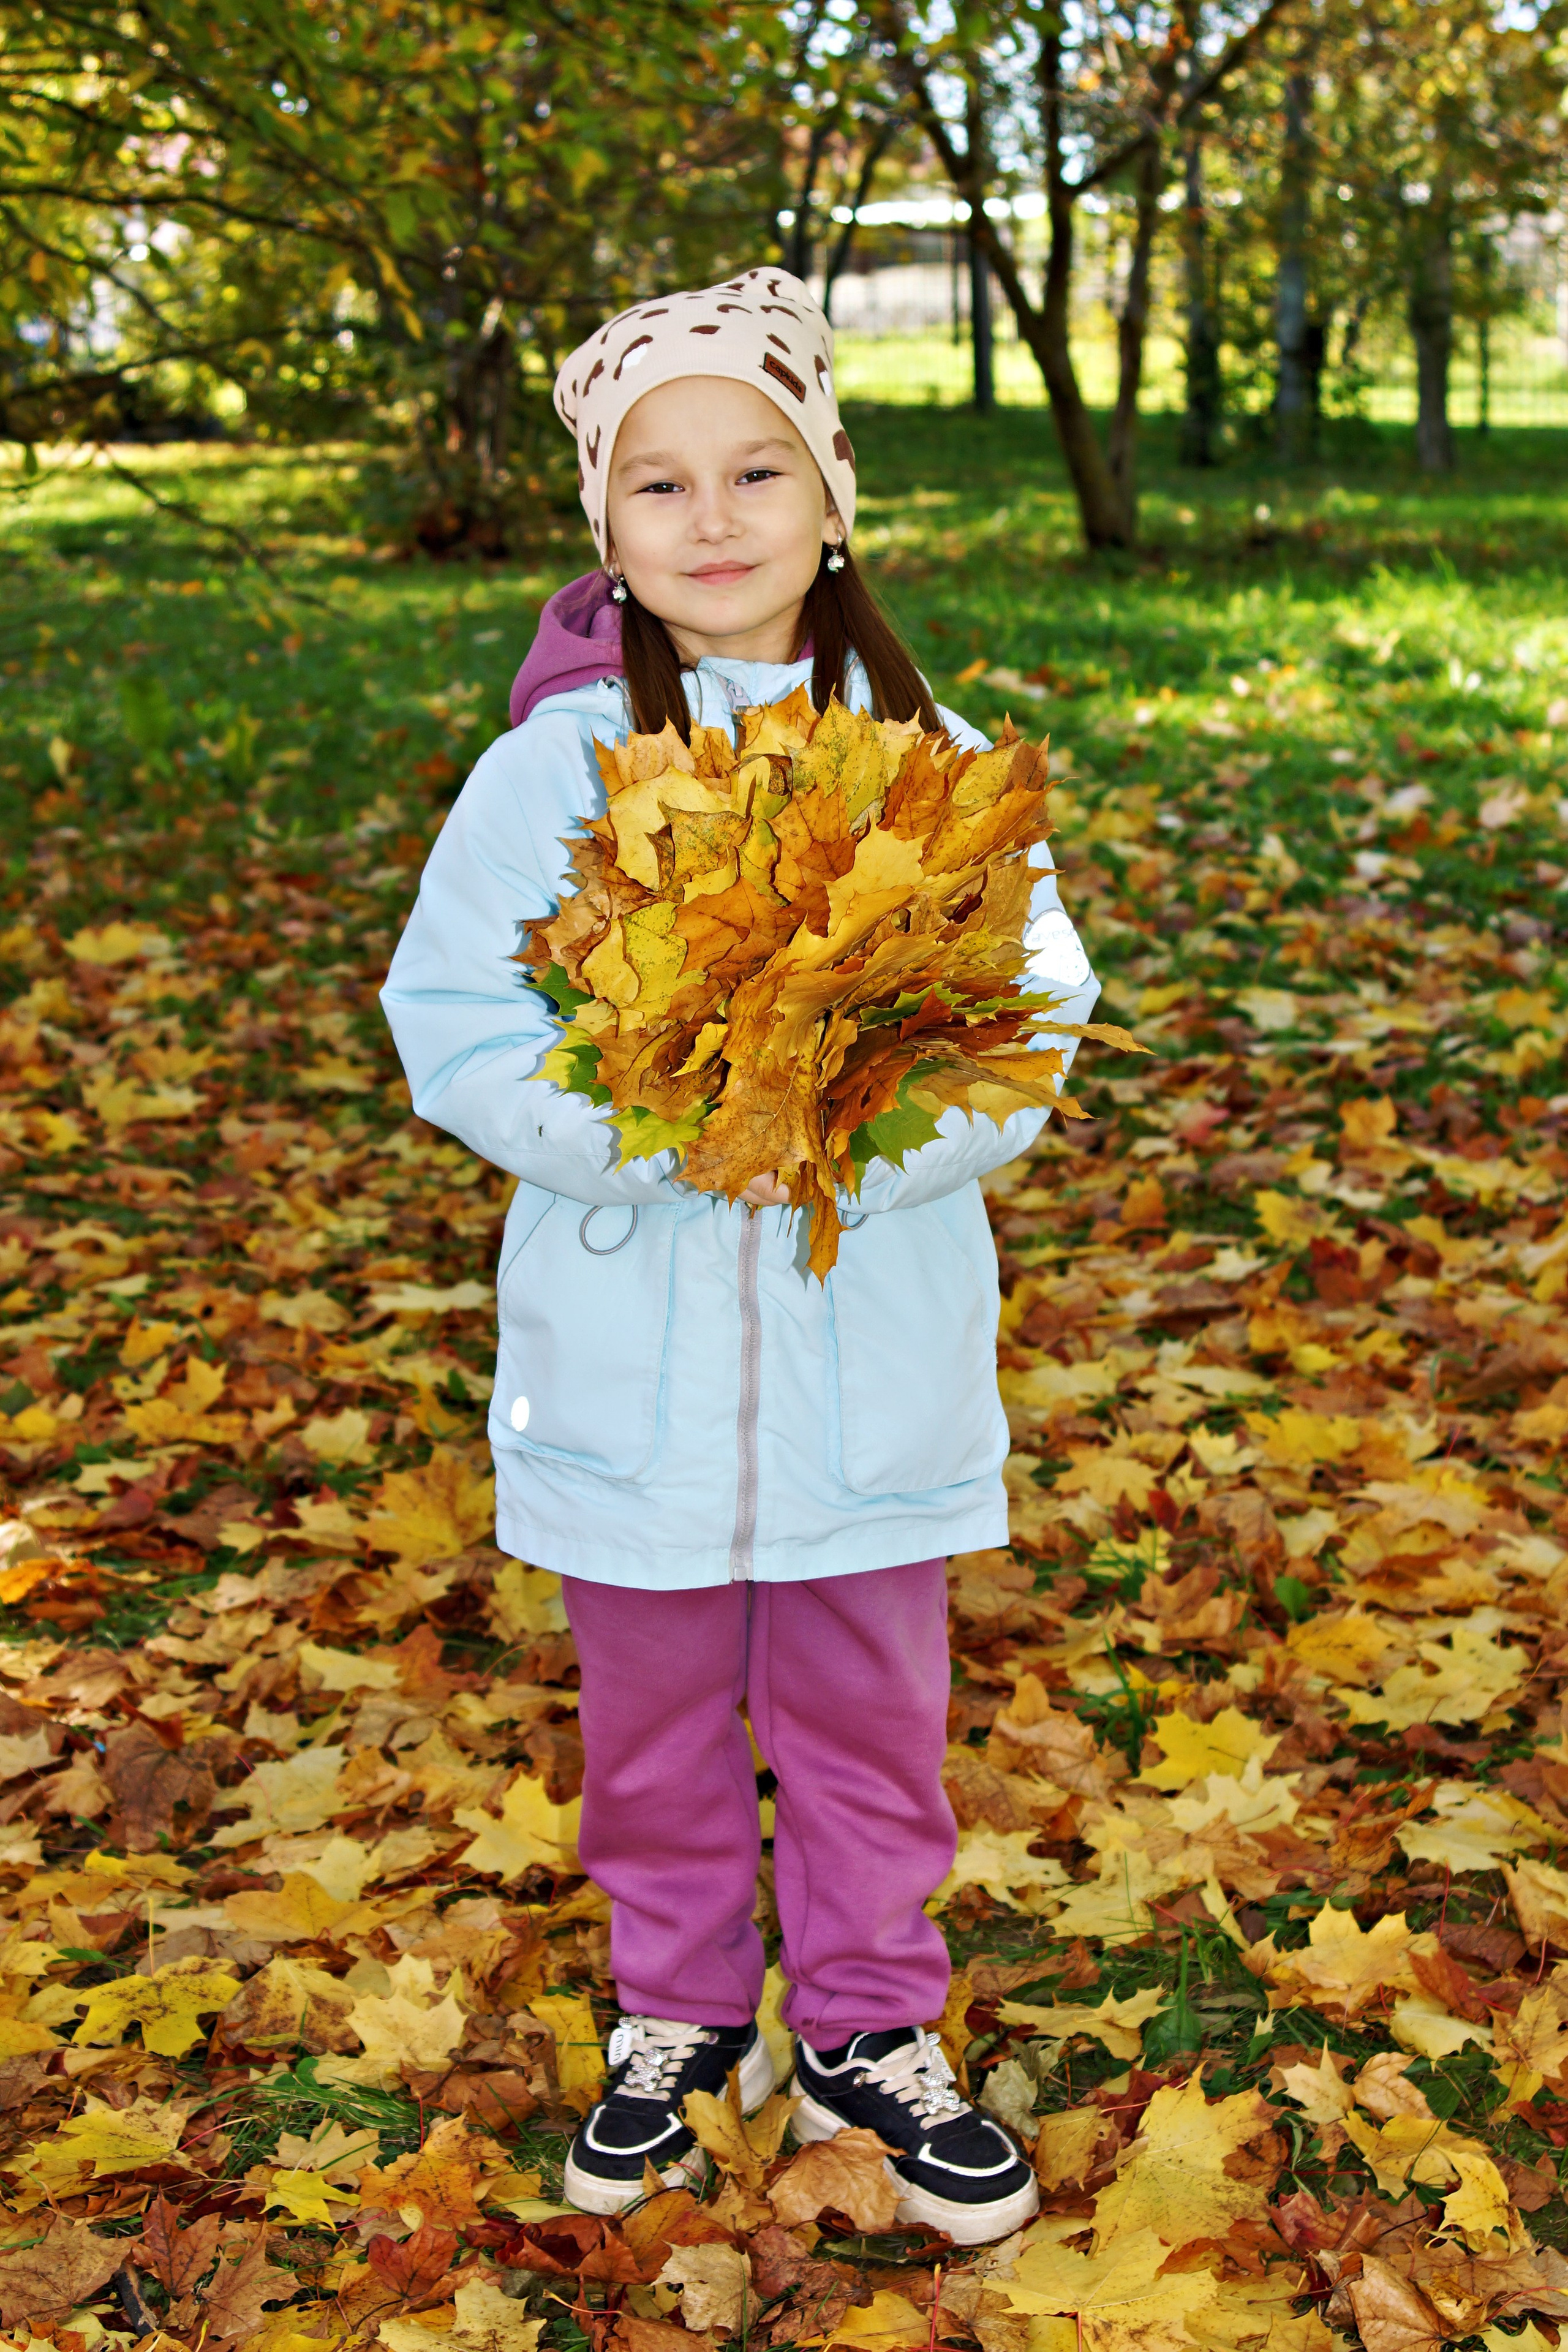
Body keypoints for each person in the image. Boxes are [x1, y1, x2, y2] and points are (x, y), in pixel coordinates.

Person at [380, 268, 1099, 2247]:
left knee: (873, 1721)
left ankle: (875, 2024)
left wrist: (855, 1141)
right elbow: (450, 1021)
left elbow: (1029, 1019)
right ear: (602, 532)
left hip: (875, 1360)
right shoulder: (548, 777)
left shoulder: (933, 760)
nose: (714, 518)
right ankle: (683, 2015)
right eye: (661, 484)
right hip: (633, 1369)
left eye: (757, 469)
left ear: (831, 496)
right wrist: (667, 1130)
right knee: (656, 1727)